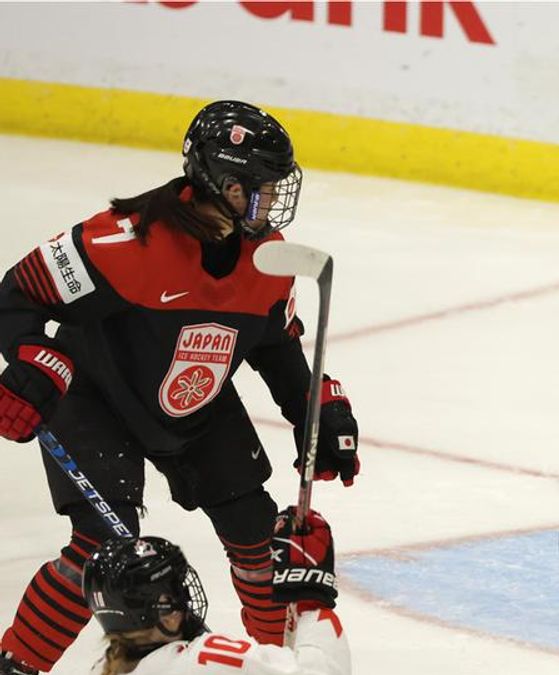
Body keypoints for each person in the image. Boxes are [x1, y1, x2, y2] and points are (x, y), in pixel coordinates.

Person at [0, 101, 360, 675]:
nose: (271, 202)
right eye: (258, 188)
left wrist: (321, 407)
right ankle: (16, 664)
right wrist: (32, 361)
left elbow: (276, 345)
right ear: (219, 182)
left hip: (198, 404)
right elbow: (17, 294)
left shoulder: (269, 258)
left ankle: (278, 661)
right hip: (99, 399)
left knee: (255, 531)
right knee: (100, 542)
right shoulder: (124, 242)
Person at [81, 507, 349, 675]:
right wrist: (311, 598)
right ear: (139, 614)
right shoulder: (201, 661)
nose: (182, 604)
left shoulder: (102, 669)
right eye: (171, 596)